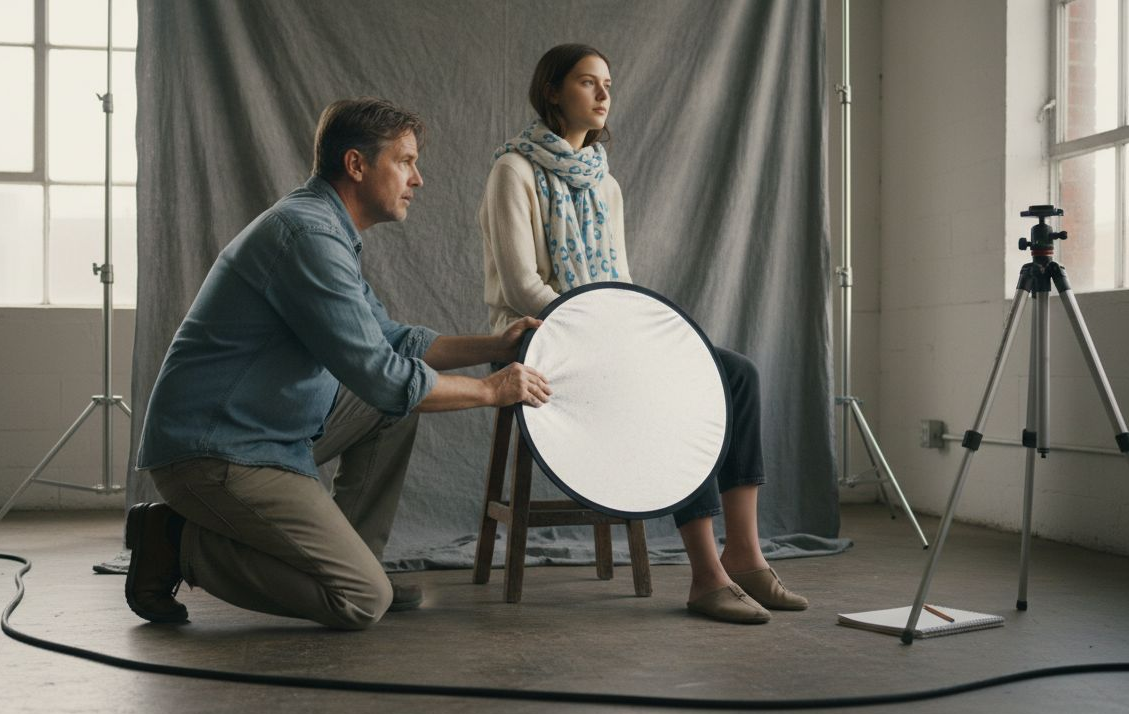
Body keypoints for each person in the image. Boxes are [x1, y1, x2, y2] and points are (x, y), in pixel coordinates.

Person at [128, 98, 552, 629]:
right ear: (356, 164)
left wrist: (495, 347)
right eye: (405, 161)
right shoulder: (308, 236)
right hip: (215, 451)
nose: (417, 179)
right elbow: (382, 377)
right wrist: (491, 390)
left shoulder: (326, 228)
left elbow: (392, 340)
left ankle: (354, 559)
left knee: (392, 412)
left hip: (264, 430)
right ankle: (175, 542)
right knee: (359, 600)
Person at [479, 44, 807, 625]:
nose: (603, 94)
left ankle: (745, 554)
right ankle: (706, 574)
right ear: (553, 91)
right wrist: (602, 328)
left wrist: (627, 330)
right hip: (537, 340)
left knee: (735, 373)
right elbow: (522, 285)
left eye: (608, 84)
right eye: (588, 82)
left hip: (605, 332)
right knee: (670, 389)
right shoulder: (514, 171)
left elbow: (622, 282)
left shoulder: (606, 185)